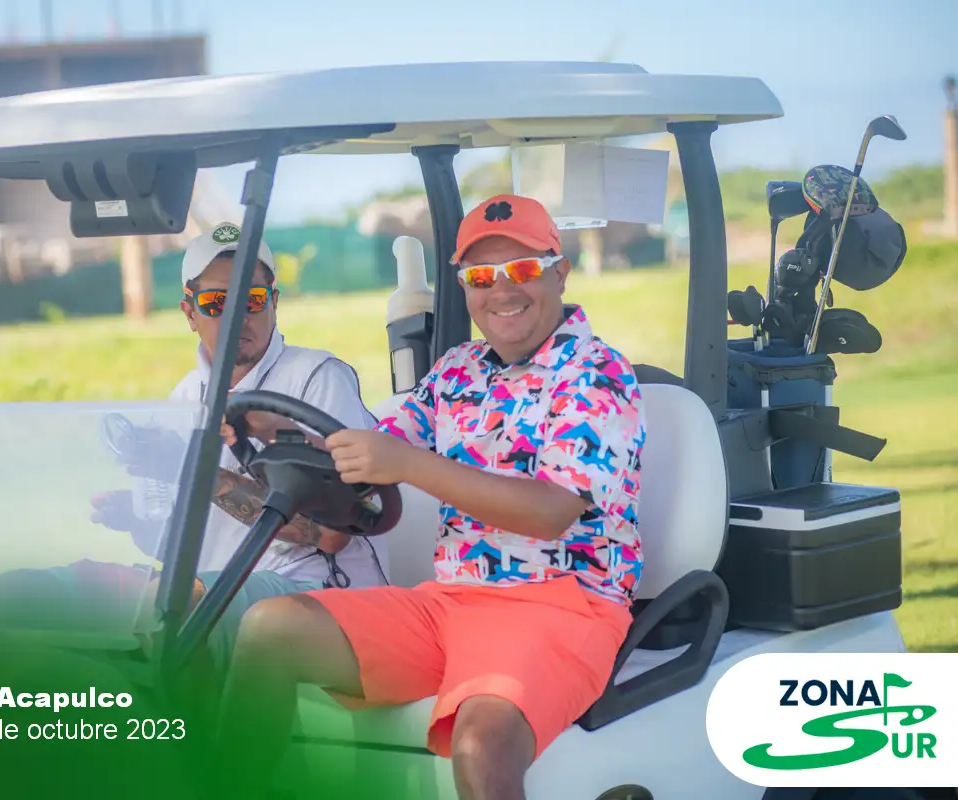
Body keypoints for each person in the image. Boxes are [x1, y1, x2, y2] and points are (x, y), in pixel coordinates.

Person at [216, 195, 647, 800]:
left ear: (560, 272)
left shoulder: (596, 373)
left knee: (480, 744)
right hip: (452, 601)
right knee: (270, 628)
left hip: (562, 604)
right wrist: (274, 430)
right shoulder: (456, 371)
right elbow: (376, 449)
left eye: (522, 269)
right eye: (481, 276)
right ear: (463, 286)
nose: (501, 290)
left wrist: (409, 465)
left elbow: (552, 511)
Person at [87, 221, 391, 673]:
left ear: (274, 302)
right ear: (189, 313)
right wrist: (134, 522)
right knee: (32, 592)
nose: (235, 318)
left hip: (316, 593)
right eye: (215, 303)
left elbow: (329, 534)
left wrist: (193, 471)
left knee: (174, 606)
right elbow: (180, 542)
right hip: (214, 587)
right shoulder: (183, 397)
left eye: (252, 300)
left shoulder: (318, 378)